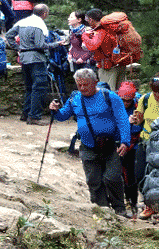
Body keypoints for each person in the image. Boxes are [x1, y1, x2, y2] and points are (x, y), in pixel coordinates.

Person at [50, 69, 130, 216]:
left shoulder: (109, 96)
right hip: (87, 146)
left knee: (112, 178)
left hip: (111, 145)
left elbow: (122, 119)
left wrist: (125, 141)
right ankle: (102, 211)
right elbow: (62, 116)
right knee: (94, 180)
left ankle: (120, 209)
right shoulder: (75, 99)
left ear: (95, 82)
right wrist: (55, 111)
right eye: (79, 85)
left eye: (86, 84)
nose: (82, 88)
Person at [6, 4, 66, 125]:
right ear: (44, 14)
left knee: (29, 87)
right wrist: (57, 44)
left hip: (24, 59)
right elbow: (40, 45)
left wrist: (18, 48)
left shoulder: (22, 22)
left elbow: (8, 35)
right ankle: (34, 116)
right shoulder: (38, 25)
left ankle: (26, 113)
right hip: (37, 59)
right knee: (39, 87)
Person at [130, 73, 159, 218]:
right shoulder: (145, 99)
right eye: (155, 92)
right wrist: (134, 119)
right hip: (146, 142)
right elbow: (139, 120)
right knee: (140, 175)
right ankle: (148, 203)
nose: (157, 95)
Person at [117, 81, 142, 216]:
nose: (126, 103)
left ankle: (133, 202)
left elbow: (139, 130)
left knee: (131, 175)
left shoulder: (138, 107)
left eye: (128, 100)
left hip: (133, 146)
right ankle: (122, 201)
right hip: (118, 144)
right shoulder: (114, 105)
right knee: (118, 175)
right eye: (123, 100)